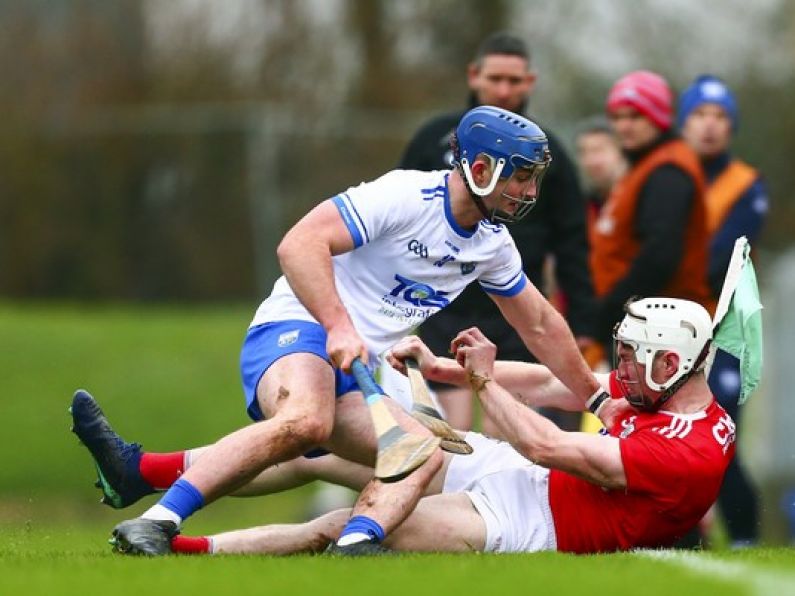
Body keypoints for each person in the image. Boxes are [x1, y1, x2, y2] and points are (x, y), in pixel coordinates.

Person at [71, 105, 606, 556]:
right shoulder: (404, 196)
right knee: (307, 421)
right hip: (298, 325)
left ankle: (354, 546)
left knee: (418, 451)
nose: (528, 190)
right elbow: (298, 245)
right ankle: (161, 522)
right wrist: (337, 325)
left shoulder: (491, 243)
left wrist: (597, 398)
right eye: (520, 175)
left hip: (359, 362)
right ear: (483, 167)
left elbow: (538, 323)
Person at [97, 297, 735, 555]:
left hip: (532, 522)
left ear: (673, 362)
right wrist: (443, 370)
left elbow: (542, 440)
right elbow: (550, 384)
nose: (618, 367)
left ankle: (185, 551)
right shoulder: (669, 397)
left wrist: (481, 381)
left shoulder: (686, 454)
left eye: (630, 356)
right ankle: (140, 472)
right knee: (318, 451)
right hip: (517, 471)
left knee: (344, 525)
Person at [399, 31, 596, 433]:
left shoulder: (547, 154)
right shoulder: (433, 138)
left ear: (530, 82)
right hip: (442, 304)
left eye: (515, 80)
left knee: (506, 441)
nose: (504, 90)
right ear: (474, 76)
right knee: (442, 440)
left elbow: (573, 245)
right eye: (495, 78)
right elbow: (400, 217)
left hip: (513, 312)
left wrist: (585, 324)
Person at [678, 74, 768, 547]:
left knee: (722, 435)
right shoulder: (667, 178)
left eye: (719, 117)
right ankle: (684, 537)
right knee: (671, 437)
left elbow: (725, 257)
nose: (709, 126)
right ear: (682, 122)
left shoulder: (745, 184)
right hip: (671, 328)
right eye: (699, 115)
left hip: (722, 329)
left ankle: (745, 537)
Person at [591, 70, 712, 351]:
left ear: (658, 117)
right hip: (645, 324)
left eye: (635, 117)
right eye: (617, 117)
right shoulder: (646, 165)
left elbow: (660, 254)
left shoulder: (668, 171)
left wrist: (614, 308)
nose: (624, 126)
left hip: (660, 329)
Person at [574, 115, 627, 234]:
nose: (591, 161)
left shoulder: (639, 197)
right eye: (584, 152)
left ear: (621, 152)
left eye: (598, 150)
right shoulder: (583, 206)